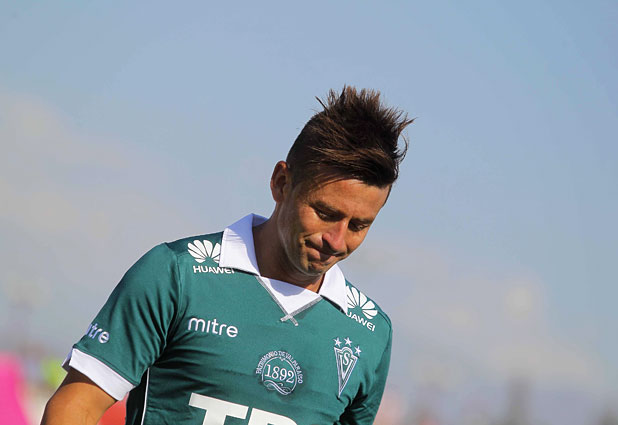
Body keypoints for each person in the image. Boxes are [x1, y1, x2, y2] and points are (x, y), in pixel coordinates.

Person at [42, 86, 413, 425]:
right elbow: (77, 406)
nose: (336, 239)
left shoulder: (369, 332)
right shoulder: (176, 275)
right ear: (281, 183)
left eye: (359, 225)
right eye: (325, 213)